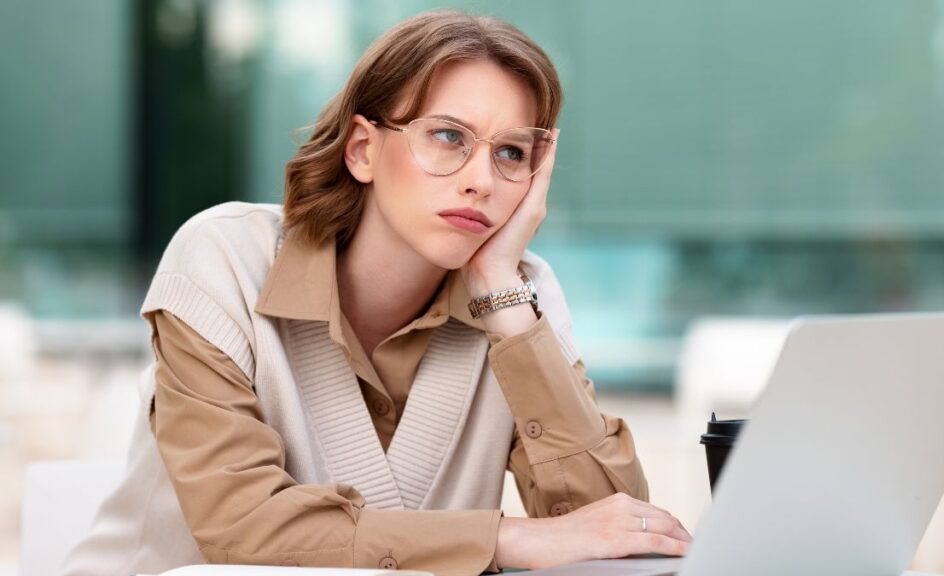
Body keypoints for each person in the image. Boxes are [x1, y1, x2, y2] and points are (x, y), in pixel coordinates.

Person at [61, 9, 691, 576]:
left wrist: (502, 291)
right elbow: (241, 523)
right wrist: (506, 540)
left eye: (511, 153)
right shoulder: (223, 259)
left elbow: (614, 529)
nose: (481, 181)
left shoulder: (521, 298)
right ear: (363, 149)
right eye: (448, 136)